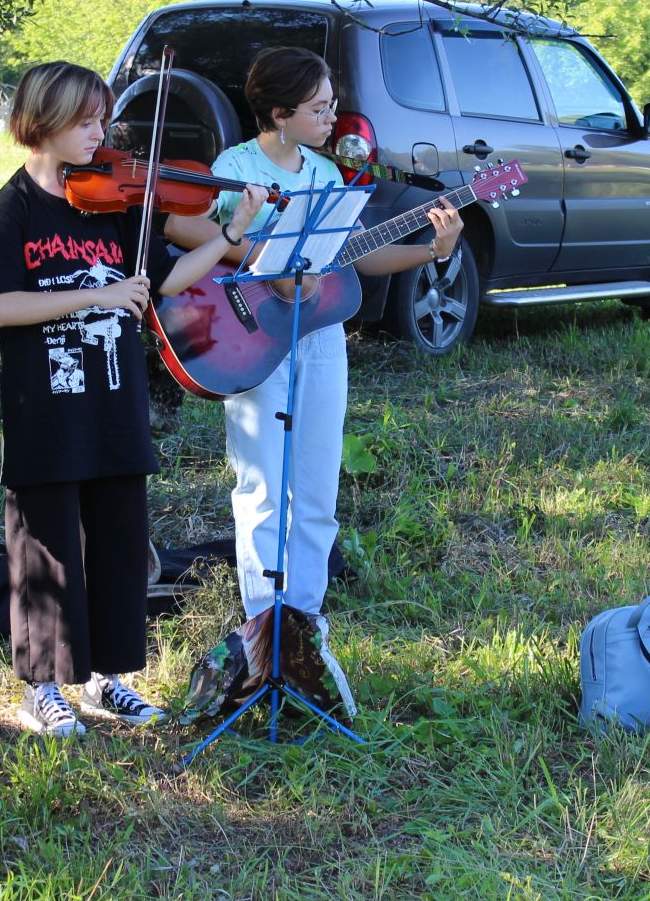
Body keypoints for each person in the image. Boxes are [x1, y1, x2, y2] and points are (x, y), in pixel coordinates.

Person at [0, 61, 263, 736]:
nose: (99, 135)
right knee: (45, 543)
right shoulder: (12, 206)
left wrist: (230, 235)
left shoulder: (122, 203)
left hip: (114, 399)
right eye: (84, 122)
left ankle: (106, 678)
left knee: (116, 538)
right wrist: (96, 296)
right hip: (45, 405)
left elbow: (166, 281)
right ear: (41, 122)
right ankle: (42, 686)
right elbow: (1, 306)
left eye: (101, 120)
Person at [162, 46, 461, 635]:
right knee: (264, 486)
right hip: (250, 332)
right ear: (278, 113)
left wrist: (433, 249)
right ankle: (263, 625)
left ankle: (306, 620)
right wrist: (266, 261)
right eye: (319, 108)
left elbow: (357, 258)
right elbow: (189, 229)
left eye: (331, 106)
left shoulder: (326, 174)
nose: (332, 120)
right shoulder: (237, 165)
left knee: (318, 488)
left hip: (321, 336)